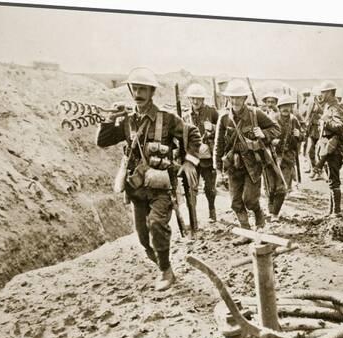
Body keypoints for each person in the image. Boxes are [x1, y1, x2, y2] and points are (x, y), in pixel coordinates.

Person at [96, 67, 202, 291]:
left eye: (143, 89)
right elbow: (103, 141)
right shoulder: (126, 121)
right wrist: (109, 119)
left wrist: (190, 161)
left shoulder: (167, 118)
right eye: (135, 88)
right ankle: (163, 264)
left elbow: (192, 134)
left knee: (156, 224)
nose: (138, 93)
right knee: (144, 239)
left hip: (161, 187)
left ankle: (165, 270)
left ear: (152, 92)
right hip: (136, 188)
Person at [214, 79, 281, 243]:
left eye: (239, 97)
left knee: (250, 200)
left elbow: (276, 129)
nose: (235, 101)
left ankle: (259, 218)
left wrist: (263, 134)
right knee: (235, 202)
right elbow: (219, 145)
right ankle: (246, 232)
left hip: (253, 164)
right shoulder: (224, 117)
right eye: (232, 97)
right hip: (233, 165)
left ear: (245, 98)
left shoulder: (255, 114)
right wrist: (218, 171)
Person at [183, 83, 220, 221]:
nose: (195, 101)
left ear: (203, 99)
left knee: (210, 188)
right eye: (192, 98)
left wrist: (213, 127)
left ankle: (212, 209)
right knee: (191, 188)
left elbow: (224, 129)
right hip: (192, 156)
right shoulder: (186, 116)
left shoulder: (212, 112)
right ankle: (193, 217)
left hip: (208, 157)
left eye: (198, 98)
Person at [312, 80, 343, 217]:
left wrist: (327, 121)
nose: (321, 95)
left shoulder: (335, 108)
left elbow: (341, 127)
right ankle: (331, 211)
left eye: (324, 92)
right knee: (330, 180)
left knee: (334, 180)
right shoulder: (328, 107)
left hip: (334, 149)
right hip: (327, 148)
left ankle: (336, 211)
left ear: (331, 92)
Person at [267, 94, 302, 219]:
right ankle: (270, 210)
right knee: (271, 187)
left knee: (281, 188)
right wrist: (271, 140)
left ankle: (275, 214)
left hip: (287, 158)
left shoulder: (294, 120)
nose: (286, 109)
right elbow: (264, 135)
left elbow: (302, 136)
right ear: (279, 107)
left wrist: (299, 135)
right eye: (283, 106)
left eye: (288, 106)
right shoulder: (272, 119)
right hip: (272, 157)